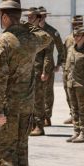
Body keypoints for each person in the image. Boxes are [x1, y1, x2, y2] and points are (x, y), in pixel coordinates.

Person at [0, 0, 51, 166]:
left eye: (1, 16)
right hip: (26, 107)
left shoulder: (4, 40)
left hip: (8, 109)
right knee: (21, 151)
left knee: (5, 153)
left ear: (5, 17)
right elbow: (47, 37)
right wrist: (28, 25)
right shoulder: (31, 39)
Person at [23, 7, 54, 136]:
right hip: (27, 71)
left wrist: (45, 71)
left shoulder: (43, 35)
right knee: (28, 100)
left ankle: (39, 125)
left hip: (38, 71)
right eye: (28, 17)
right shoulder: (26, 33)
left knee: (38, 100)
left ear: (38, 18)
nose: (28, 19)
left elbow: (48, 54)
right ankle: (31, 125)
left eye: (31, 17)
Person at [38, 6, 66, 127]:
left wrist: (59, 64)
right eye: (39, 16)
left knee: (47, 93)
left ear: (45, 16)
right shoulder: (32, 30)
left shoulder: (52, 31)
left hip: (48, 66)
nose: (41, 18)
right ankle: (37, 117)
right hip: (34, 66)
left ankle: (47, 117)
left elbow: (61, 48)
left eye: (43, 15)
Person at [63, 15, 84, 125]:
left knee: (83, 99)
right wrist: (64, 69)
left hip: (81, 73)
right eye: (74, 24)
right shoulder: (68, 39)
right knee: (69, 95)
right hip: (68, 72)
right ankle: (73, 115)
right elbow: (64, 54)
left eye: (78, 24)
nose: (76, 26)